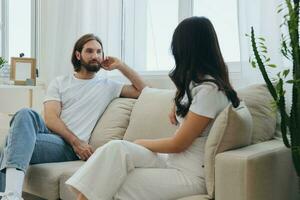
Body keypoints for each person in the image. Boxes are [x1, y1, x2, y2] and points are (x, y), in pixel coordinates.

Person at [66, 16, 240, 200]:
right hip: (171, 163)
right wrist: (176, 101)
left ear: (187, 48)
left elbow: (178, 144)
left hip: (188, 175)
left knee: (109, 181)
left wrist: (139, 143)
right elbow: (183, 96)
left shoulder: (209, 91)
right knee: (116, 148)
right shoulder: (198, 86)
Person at [0, 33, 146, 200]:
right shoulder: (60, 82)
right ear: (78, 55)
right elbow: (51, 119)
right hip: (57, 139)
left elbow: (145, 91)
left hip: (66, 149)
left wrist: (121, 66)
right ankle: (11, 195)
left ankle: (10, 194)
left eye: (99, 52)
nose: (95, 56)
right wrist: (77, 142)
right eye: (90, 51)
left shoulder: (109, 86)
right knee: (25, 113)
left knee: (10, 142)